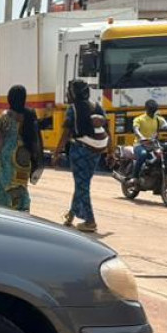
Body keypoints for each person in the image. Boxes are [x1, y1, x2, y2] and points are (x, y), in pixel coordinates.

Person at [54, 79, 108, 233]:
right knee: (82, 183)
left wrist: (57, 152)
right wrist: (110, 151)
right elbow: (107, 127)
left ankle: (90, 221)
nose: (67, 94)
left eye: (69, 91)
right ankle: (71, 215)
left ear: (74, 93)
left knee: (82, 185)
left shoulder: (73, 109)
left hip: (81, 149)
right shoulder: (97, 105)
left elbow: (66, 133)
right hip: (97, 150)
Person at [0, 85, 43, 211]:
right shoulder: (30, 115)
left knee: (3, 187)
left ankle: (5, 212)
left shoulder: (6, 115)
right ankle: (22, 209)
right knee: (21, 186)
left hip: (7, 157)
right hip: (23, 158)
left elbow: (0, 137)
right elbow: (35, 138)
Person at [131, 99, 167, 179]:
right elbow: (136, 130)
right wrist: (142, 138)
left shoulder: (159, 119)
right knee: (143, 154)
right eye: (151, 110)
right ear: (146, 109)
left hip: (154, 144)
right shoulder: (139, 119)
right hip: (140, 145)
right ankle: (134, 177)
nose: (152, 113)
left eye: (154, 111)